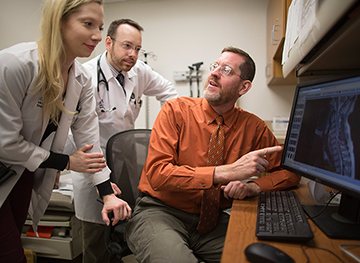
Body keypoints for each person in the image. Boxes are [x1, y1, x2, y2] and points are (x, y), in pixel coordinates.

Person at [125, 46, 301, 263]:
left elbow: (290, 172)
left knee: (265, 259)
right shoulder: (175, 111)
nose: (214, 73)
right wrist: (225, 172)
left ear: (244, 87)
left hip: (212, 222)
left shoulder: (254, 127)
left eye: (226, 70)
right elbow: (158, 174)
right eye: (215, 66)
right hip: (161, 213)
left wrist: (252, 187)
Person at [0, 1, 131, 262]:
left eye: (100, 27)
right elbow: (5, 143)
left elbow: (88, 139)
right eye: (88, 24)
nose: (97, 35)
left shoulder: (80, 79)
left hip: (20, 173)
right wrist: (68, 162)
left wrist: (106, 194)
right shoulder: (14, 64)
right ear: (59, 21)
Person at [66, 18, 178, 263]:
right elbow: (83, 137)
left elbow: (171, 95)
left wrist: (168, 134)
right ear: (108, 42)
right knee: (96, 244)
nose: (133, 54)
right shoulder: (85, 77)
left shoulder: (139, 71)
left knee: (123, 234)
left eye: (137, 48)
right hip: (92, 164)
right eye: (127, 46)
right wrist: (102, 182)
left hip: (125, 164)